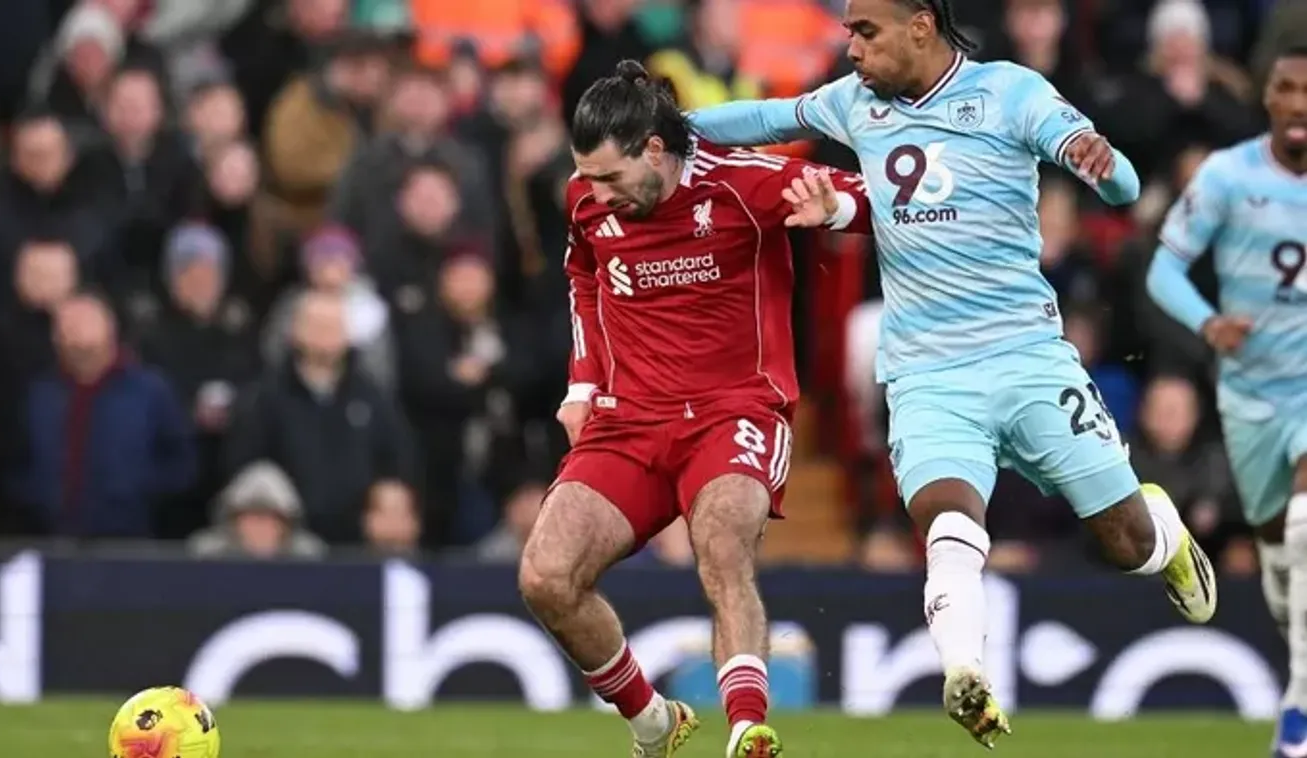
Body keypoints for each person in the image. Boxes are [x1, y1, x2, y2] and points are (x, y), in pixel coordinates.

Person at [687, 0, 1217, 748]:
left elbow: (1123, 187)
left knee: (1125, 541)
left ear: (920, 25)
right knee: (945, 518)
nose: (852, 50)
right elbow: (766, 120)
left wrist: (1100, 163)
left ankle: (1164, 538)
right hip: (928, 373)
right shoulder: (854, 102)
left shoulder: (1012, 92)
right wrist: (666, 128)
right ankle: (965, 671)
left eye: (865, 32)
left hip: (1027, 358)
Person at [516, 60, 872, 758]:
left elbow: (875, 198)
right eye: (587, 177)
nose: (596, 193)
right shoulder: (586, 199)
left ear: (654, 149)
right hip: (627, 419)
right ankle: (654, 724)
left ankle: (746, 728)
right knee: (545, 579)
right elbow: (583, 275)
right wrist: (582, 384)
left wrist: (835, 209)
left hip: (733, 411)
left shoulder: (744, 182)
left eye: (609, 177)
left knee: (721, 543)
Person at [1145, 46, 1307, 758]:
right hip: (1249, 396)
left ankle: (1297, 712)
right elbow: (1163, 269)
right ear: (1267, 98)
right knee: (1281, 564)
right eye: (1286, 88)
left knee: (1304, 526)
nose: (1298, 103)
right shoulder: (1227, 176)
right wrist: (1208, 323)